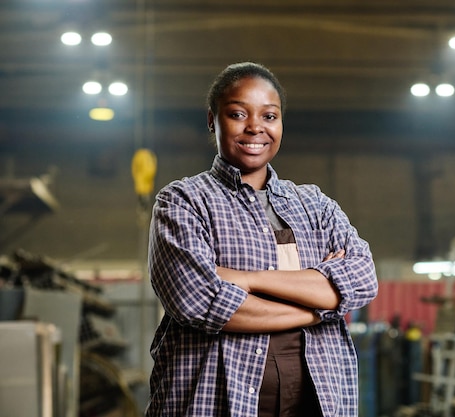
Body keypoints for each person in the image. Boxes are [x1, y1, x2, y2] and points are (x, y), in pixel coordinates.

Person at [145, 62, 378, 417]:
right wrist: (316, 309)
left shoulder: (315, 204)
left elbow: (361, 280)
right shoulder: (183, 202)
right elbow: (198, 300)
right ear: (213, 120)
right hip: (213, 400)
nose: (255, 127)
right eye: (238, 114)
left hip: (319, 398)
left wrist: (247, 280)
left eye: (269, 116)